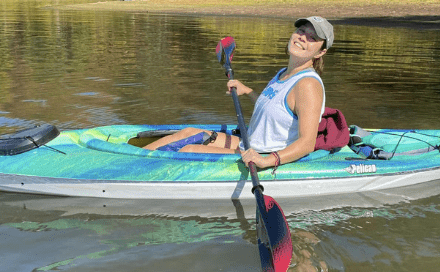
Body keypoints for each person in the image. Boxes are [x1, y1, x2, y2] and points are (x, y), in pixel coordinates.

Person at [143, 16, 334, 170]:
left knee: (188, 149)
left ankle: (137, 168)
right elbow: (278, 110)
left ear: (320, 52)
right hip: (248, 144)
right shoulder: (284, 74)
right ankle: (123, 155)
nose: (302, 37)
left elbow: (307, 143)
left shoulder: (307, 84)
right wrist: (248, 91)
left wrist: (267, 161)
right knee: (188, 133)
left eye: (312, 38)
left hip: (263, 154)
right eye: (301, 31)